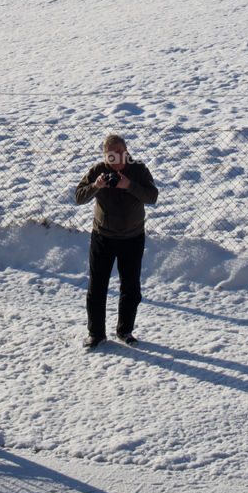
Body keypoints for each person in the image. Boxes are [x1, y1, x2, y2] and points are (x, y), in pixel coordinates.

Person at [74, 134, 158, 348]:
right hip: (103, 237)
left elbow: (152, 196)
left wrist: (129, 185)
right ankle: (96, 333)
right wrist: (96, 186)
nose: (116, 157)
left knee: (131, 287)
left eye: (120, 152)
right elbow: (79, 197)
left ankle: (125, 330)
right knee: (97, 286)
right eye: (111, 154)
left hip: (132, 237)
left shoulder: (138, 170)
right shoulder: (98, 171)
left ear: (126, 152)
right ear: (105, 155)